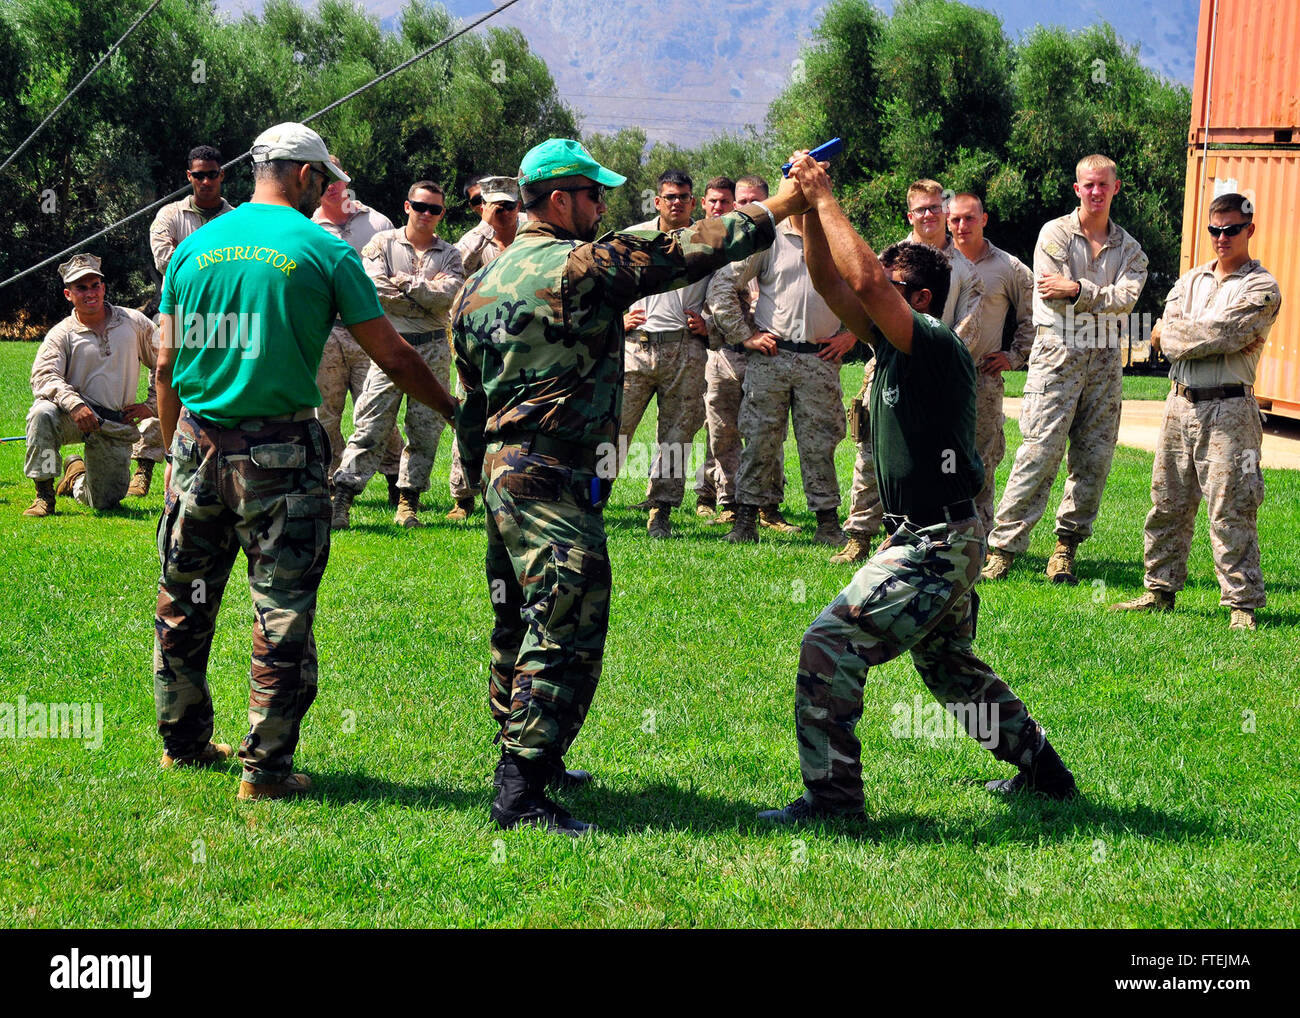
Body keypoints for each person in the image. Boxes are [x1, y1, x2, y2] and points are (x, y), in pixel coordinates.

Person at [452, 137, 806, 834]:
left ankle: (533, 756)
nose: (605, 207)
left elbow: (469, 398)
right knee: (565, 621)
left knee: (516, 616)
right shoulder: (581, 264)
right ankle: (519, 791)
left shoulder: (477, 285)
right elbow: (689, 249)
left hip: (503, 470)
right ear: (560, 199)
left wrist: (475, 474)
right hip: (553, 472)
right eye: (595, 195)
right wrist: (787, 200)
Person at [758, 152, 1077, 824]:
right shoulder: (889, 345)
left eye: (896, 286)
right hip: (928, 534)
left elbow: (868, 282)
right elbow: (832, 279)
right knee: (951, 668)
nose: (874, 293)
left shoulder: (931, 342)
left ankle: (834, 802)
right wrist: (814, 213)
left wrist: (823, 190)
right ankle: (1047, 775)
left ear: (922, 299)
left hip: (940, 539)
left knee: (830, 644)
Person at [153, 122, 455, 800]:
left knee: (183, 600)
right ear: (306, 176)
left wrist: (176, 451)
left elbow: (166, 364)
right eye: (325, 177)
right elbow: (396, 356)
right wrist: (456, 409)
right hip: (278, 458)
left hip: (195, 445)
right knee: (281, 608)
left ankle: (184, 743)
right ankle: (266, 770)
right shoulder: (324, 251)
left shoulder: (190, 250)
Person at [1112, 193, 1280, 630]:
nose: (1222, 238)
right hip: (1179, 403)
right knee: (1167, 501)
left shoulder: (1261, 287)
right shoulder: (1190, 280)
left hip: (1230, 410)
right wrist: (1174, 335)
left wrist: (1173, 335)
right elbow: (1162, 333)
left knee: (1232, 505)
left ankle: (1242, 602)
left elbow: (1224, 333)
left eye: (1231, 230)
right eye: (1215, 230)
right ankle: (1159, 589)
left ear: (1249, 230)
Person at [982, 154, 1149, 584]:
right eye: (1088, 185)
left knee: (1093, 460)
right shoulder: (1054, 234)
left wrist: (1076, 288)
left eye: (1103, 185)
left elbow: (1126, 302)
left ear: (1115, 189)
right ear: (1077, 189)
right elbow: (1051, 294)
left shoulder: (1131, 250)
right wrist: (1096, 296)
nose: (1096, 192)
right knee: (1039, 452)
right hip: (1058, 354)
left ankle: (1065, 549)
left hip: (1105, 362)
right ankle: (1002, 549)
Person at [723, 184, 857, 545]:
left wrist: (852, 336)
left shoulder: (837, 237)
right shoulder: (769, 239)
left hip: (819, 359)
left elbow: (867, 289)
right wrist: (744, 334)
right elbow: (724, 283)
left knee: (820, 444)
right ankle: (746, 520)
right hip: (772, 356)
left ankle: (828, 524)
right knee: (759, 440)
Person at [620, 170, 749, 538]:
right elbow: (607, 282)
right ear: (657, 201)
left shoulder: (709, 241)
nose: (677, 202)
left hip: (686, 349)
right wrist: (619, 317)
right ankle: (593, 501)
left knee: (676, 436)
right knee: (616, 428)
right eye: (669, 197)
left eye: (684, 197)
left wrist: (708, 323)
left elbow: (727, 292)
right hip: (638, 346)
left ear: (694, 202)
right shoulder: (636, 237)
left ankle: (660, 512)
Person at [331, 181, 465, 529]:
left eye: (434, 209)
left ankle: (408, 502)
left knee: (425, 429)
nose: (426, 214)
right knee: (370, 424)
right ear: (407, 206)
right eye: (420, 206)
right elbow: (375, 287)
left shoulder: (451, 254)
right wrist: (424, 292)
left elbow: (447, 295)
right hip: (390, 344)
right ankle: (342, 499)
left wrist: (406, 284)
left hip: (434, 347)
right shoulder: (382, 243)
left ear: (441, 214)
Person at [23, 254, 161, 516]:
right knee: (42, 414)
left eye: (95, 285)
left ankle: (75, 476)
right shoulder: (61, 333)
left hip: (114, 423)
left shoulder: (133, 322)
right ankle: (44, 495)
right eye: (81, 288)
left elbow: (164, 362)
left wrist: (151, 405)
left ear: (104, 287)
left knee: (104, 501)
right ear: (68, 293)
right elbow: (44, 376)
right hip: (72, 416)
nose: (90, 293)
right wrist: (74, 404)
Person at [310, 156, 404, 496]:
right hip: (325, 331)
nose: (333, 184)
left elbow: (396, 272)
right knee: (326, 414)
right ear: (315, 181)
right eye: (326, 177)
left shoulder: (378, 223)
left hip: (370, 328)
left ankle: (396, 478)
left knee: (378, 409)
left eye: (338, 176)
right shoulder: (308, 226)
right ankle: (331, 484)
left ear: (347, 178)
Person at [948, 192, 1036, 533]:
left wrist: (1013, 357)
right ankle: (938, 529)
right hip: (937, 377)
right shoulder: (939, 260)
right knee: (937, 455)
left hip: (981, 378)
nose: (961, 225)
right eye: (954, 219)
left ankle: (979, 533)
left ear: (984, 220)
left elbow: (1033, 318)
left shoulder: (1008, 267)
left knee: (981, 459)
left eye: (969, 218)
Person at [446, 175, 522, 522]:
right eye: (497, 207)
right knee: (469, 416)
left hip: (521, 346)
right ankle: (463, 496)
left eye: (510, 206)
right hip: (477, 347)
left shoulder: (530, 238)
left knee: (517, 417)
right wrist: (483, 228)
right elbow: (453, 269)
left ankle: (513, 486)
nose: (505, 213)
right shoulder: (474, 242)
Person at [694, 175, 760, 525]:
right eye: (714, 201)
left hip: (760, 349)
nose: (721, 207)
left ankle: (763, 503)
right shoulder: (707, 245)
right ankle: (720, 497)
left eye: (728, 201)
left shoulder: (764, 242)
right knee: (717, 429)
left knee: (762, 430)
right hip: (718, 349)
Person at [149, 145, 234, 277]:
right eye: (199, 176)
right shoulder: (169, 215)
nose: (206, 182)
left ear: (221, 174)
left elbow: (242, 267)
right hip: (181, 298)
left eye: (212, 174)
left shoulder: (236, 218)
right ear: (189, 176)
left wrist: (180, 253)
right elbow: (164, 263)